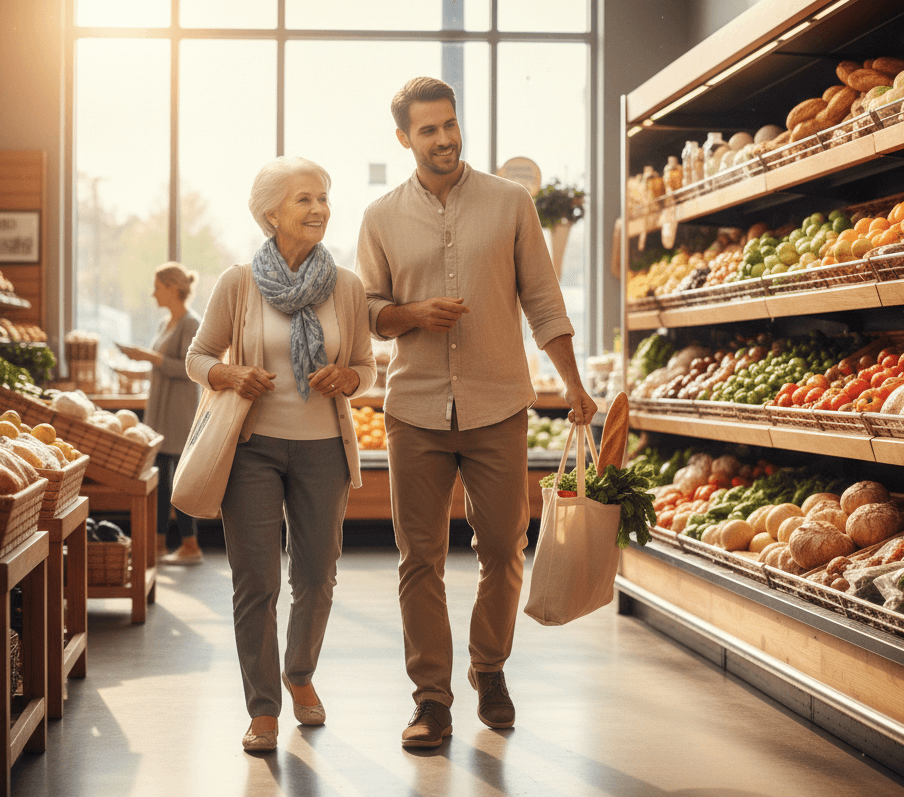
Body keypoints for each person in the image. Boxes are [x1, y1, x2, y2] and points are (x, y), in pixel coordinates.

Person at [355, 76, 597, 750]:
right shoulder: (379, 217)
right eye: (427, 129)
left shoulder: (510, 203)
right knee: (419, 558)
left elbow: (545, 304)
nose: (444, 138)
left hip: (498, 404)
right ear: (404, 138)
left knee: (503, 548)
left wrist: (574, 384)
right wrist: (412, 315)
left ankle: (488, 668)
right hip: (415, 408)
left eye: (450, 124)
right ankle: (431, 699)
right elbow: (370, 313)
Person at [186, 156, 376, 753]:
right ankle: (263, 707)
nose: (319, 208)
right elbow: (197, 357)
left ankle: (300, 674)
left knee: (317, 576)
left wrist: (348, 379)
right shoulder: (237, 283)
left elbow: (368, 368)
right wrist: (230, 373)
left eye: (323, 197)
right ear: (271, 212)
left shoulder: (346, 286)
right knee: (256, 580)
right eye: (304, 199)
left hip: (324, 448)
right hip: (252, 450)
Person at [119, 262, 203, 566]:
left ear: (171, 288)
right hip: (160, 411)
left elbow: (190, 369)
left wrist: (148, 356)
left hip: (180, 413)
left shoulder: (191, 324)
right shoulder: (164, 323)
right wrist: (135, 367)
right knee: (160, 479)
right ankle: (157, 543)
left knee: (178, 481)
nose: (153, 294)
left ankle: (190, 545)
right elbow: (162, 368)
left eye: (157, 287)